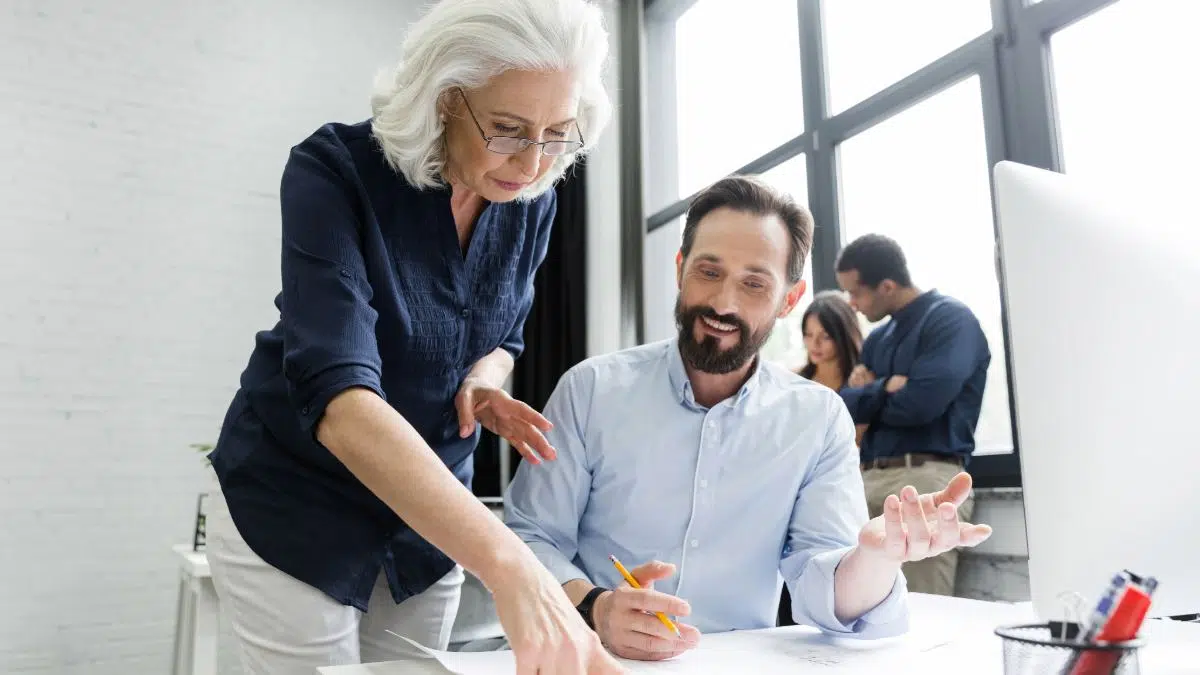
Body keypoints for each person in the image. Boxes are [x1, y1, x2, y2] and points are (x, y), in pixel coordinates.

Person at [202, 1, 624, 673]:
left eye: (557, 135)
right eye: (510, 130)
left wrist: (484, 381)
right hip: (296, 504)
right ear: (447, 100)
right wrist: (514, 565)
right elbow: (340, 400)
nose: (534, 161)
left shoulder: (531, 198)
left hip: (428, 527)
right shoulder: (333, 172)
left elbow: (504, 332)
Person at [504, 176, 992, 661]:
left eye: (754, 284)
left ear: (789, 299)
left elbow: (825, 588)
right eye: (708, 272)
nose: (723, 303)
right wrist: (594, 607)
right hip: (591, 658)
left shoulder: (818, 419)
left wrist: (876, 558)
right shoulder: (592, 390)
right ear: (680, 269)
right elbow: (531, 537)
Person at [835, 233, 992, 597]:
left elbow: (920, 406)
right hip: (866, 480)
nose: (852, 304)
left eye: (856, 293)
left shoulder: (951, 321)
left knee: (924, 613)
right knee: (859, 611)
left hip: (926, 480)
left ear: (887, 286)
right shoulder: (877, 339)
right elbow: (845, 406)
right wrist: (886, 386)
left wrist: (868, 394)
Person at [797, 290, 863, 391]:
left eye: (825, 336)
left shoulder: (860, 381)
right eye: (809, 334)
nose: (814, 344)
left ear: (843, 335)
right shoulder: (796, 381)